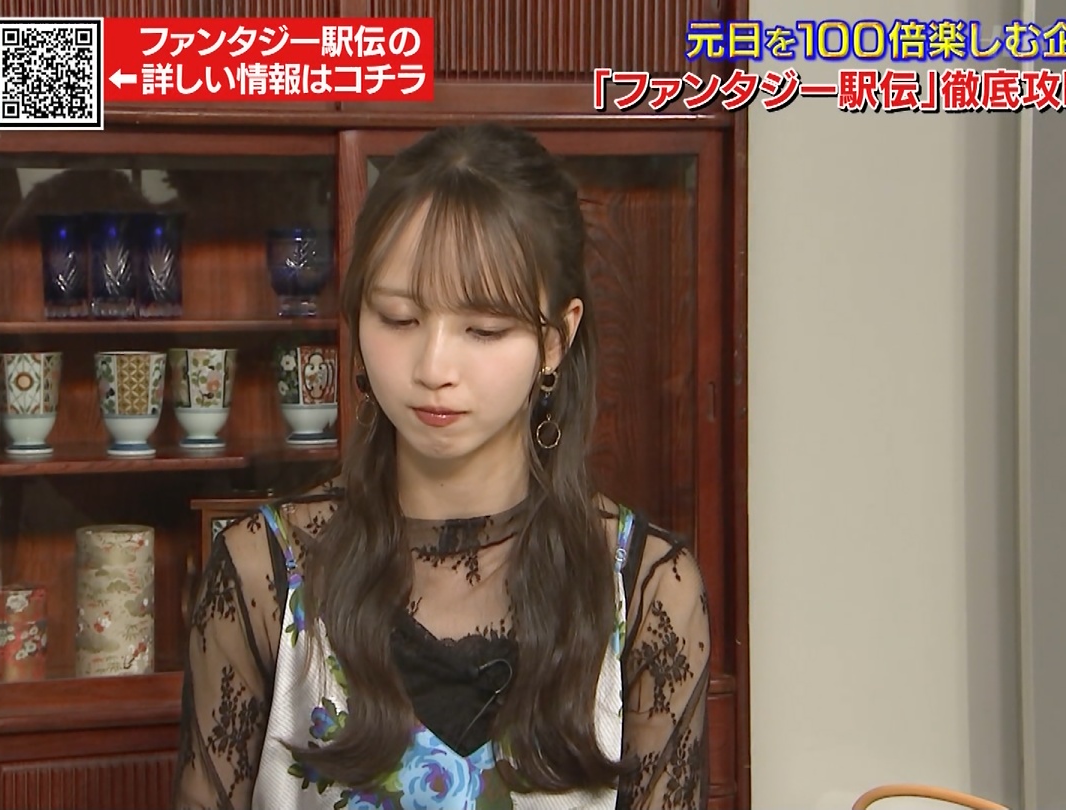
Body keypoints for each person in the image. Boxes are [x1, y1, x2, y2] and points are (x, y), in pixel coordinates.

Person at [173, 123, 710, 810]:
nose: (433, 368)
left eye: (483, 330)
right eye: (399, 319)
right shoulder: (262, 573)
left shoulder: (645, 588)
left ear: (556, 339)